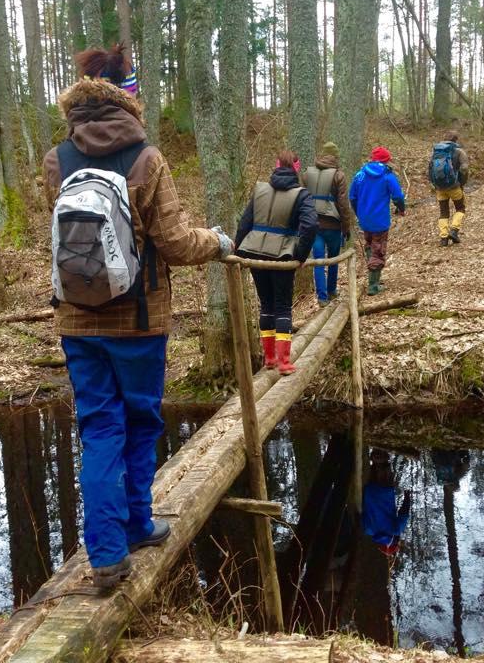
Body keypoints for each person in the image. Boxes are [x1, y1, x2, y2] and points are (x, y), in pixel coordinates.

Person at [44, 44, 234, 589]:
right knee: (142, 422)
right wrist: (217, 242)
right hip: (140, 320)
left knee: (99, 427)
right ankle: (137, 523)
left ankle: (105, 553)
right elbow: (174, 243)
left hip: (77, 320)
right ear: (129, 96)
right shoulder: (147, 159)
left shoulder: (57, 159)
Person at [235, 150, 318, 375]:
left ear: (277, 164)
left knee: (266, 304)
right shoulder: (301, 195)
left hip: (254, 252)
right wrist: (300, 255)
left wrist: (238, 247)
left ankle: (270, 358)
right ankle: (284, 362)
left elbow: (245, 223)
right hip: (282, 255)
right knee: (282, 305)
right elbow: (310, 226)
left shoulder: (260, 190)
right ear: (296, 168)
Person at [348, 146, 406, 296]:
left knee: (370, 246)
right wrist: (401, 209)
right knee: (378, 250)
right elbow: (398, 196)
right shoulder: (387, 175)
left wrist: (359, 212)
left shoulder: (360, 174)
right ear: (386, 160)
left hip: (364, 219)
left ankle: (374, 276)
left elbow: (352, 197)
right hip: (380, 220)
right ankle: (373, 285)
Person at [302, 141, 352, 308]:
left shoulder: (307, 174)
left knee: (318, 260)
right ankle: (331, 291)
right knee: (333, 259)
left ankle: (322, 297)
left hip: (314, 225)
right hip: (333, 225)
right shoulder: (339, 175)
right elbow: (343, 204)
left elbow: (302, 200)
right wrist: (346, 227)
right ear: (336, 157)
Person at [362, 449, 412, 557]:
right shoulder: (368, 530)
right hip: (370, 492)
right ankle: (376, 448)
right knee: (375, 468)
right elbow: (361, 513)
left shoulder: (395, 531)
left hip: (385, 492)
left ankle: (381, 446)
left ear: (394, 543)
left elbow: (404, 514)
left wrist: (407, 497)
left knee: (384, 466)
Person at [427, 130, 470, 246]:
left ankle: (443, 238)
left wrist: (434, 184)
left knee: (443, 212)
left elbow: (430, 169)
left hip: (440, 188)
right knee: (460, 208)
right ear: (456, 140)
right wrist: (462, 183)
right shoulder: (459, 152)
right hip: (454, 187)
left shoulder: (436, 152)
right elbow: (465, 169)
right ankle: (454, 231)